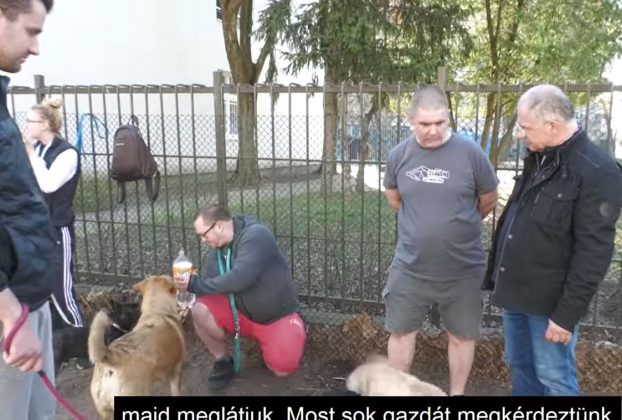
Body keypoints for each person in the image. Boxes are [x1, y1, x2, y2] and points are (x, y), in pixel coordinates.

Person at [482, 85, 622, 396]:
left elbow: (594, 253)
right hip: (516, 294)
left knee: (555, 379)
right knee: (521, 368)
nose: (519, 134)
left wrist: (565, 316)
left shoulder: (598, 171)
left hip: (549, 305)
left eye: (525, 127)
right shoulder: (540, 156)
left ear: (552, 125)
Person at [382, 85, 499, 396]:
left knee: (461, 337)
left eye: (440, 123)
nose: (433, 130)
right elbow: (394, 199)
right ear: (411, 120)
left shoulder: (471, 153)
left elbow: (488, 200)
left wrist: (454, 226)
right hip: (410, 266)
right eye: (424, 124)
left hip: (462, 269)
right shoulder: (398, 156)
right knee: (401, 334)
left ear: (448, 118)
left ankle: (456, 394)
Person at [174, 204, 307, 390]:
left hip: (275, 317)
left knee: (282, 369)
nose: (203, 240)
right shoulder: (216, 250)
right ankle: (222, 361)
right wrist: (187, 288)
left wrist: (194, 284)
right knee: (200, 309)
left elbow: (241, 279)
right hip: (240, 312)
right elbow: (213, 284)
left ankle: (292, 331)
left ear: (219, 226)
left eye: (204, 234)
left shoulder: (256, 236)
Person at [0, 0, 57, 418]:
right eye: (31, 31)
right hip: (11, 316)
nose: (36, 47)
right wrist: (10, 315)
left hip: (28, 304)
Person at [23, 97, 84, 333]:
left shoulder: (67, 153)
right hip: (36, 229)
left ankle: (80, 337)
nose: (25, 126)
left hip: (58, 230)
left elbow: (49, 184)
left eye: (30, 121)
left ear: (45, 125)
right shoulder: (39, 149)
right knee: (38, 287)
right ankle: (52, 338)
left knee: (61, 290)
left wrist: (30, 153)